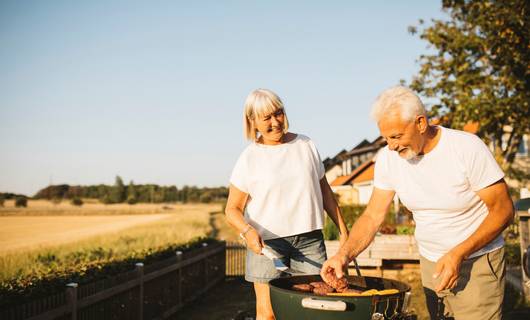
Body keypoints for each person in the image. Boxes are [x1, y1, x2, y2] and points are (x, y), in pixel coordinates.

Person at [321, 86, 514, 320]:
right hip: (431, 262)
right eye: (385, 138)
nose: (391, 145)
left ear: (421, 123)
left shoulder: (466, 148)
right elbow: (372, 216)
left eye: (396, 136)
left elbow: (503, 210)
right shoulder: (387, 159)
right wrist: (344, 255)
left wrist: (458, 253)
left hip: (477, 261)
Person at [225, 88, 349, 320]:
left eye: (278, 113)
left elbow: (325, 192)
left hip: (310, 240)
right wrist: (247, 231)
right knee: (268, 313)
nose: (275, 122)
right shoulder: (249, 157)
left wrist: (343, 230)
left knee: (314, 310)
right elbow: (231, 210)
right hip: (268, 246)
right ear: (253, 121)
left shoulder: (306, 145)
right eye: (267, 118)